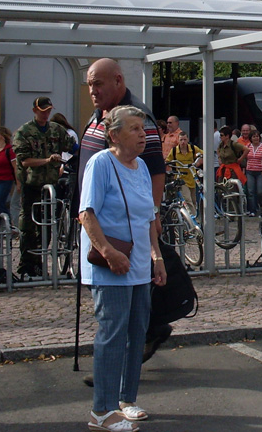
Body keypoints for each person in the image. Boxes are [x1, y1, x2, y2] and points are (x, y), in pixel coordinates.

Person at [79, 105, 167, 432]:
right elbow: (87, 213)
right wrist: (108, 251)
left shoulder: (142, 166)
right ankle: (101, 412)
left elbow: (148, 218)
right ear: (114, 135)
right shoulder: (100, 164)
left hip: (139, 265)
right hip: (111, 266)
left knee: (135, 334)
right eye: (134, 129)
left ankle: (126, 399)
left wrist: (156, 257)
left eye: (143, 129)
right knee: (112, 335)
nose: (142, 135)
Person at [77, 58, 170, 361]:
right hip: (96, 222)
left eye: (98, 83)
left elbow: (155, 172)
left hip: (124, 231)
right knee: (114, 309)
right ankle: (127, 355)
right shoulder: (97, 116)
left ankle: (119, 367)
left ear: (118, 80)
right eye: (90, 84)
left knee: (121, 310)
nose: (92, 90)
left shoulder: (136, 118)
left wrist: (152, 217)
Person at [13, 96, 73, 277]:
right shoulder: (24, 132)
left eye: (48, 111)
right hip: (32, 185)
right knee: (28, 226)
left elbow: (73, 147)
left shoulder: (57, 130)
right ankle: (27, 263)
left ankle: (40, 262)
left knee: (47, 225)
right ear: (35, 111)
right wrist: (48, 160)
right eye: (42, 110)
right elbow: (24, 161)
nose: (46, 114)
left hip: (51, 185)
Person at [165, 131, 203, 213]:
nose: (183, 142)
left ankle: (192, 217)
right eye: (181, 140)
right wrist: (171, 171)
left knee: (193, 200)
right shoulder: (174, 151)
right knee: (187, 199)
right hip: (181, 179)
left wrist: (198, 163)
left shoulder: (192, 148)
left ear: (188, 139)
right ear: (178, 140)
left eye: (185, 139)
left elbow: (203, 154)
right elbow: (168, 161)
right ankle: (194, 221)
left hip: (192, 178)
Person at [244, 131, 262, 216]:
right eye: (254, 136)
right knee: (250, 191)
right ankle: (253, 210)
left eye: (257, 136)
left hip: (260, 171)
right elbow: (244, 158)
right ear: (251, 138)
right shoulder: (247, 146)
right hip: (250, 171)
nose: (256, 138)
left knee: (260, 191)